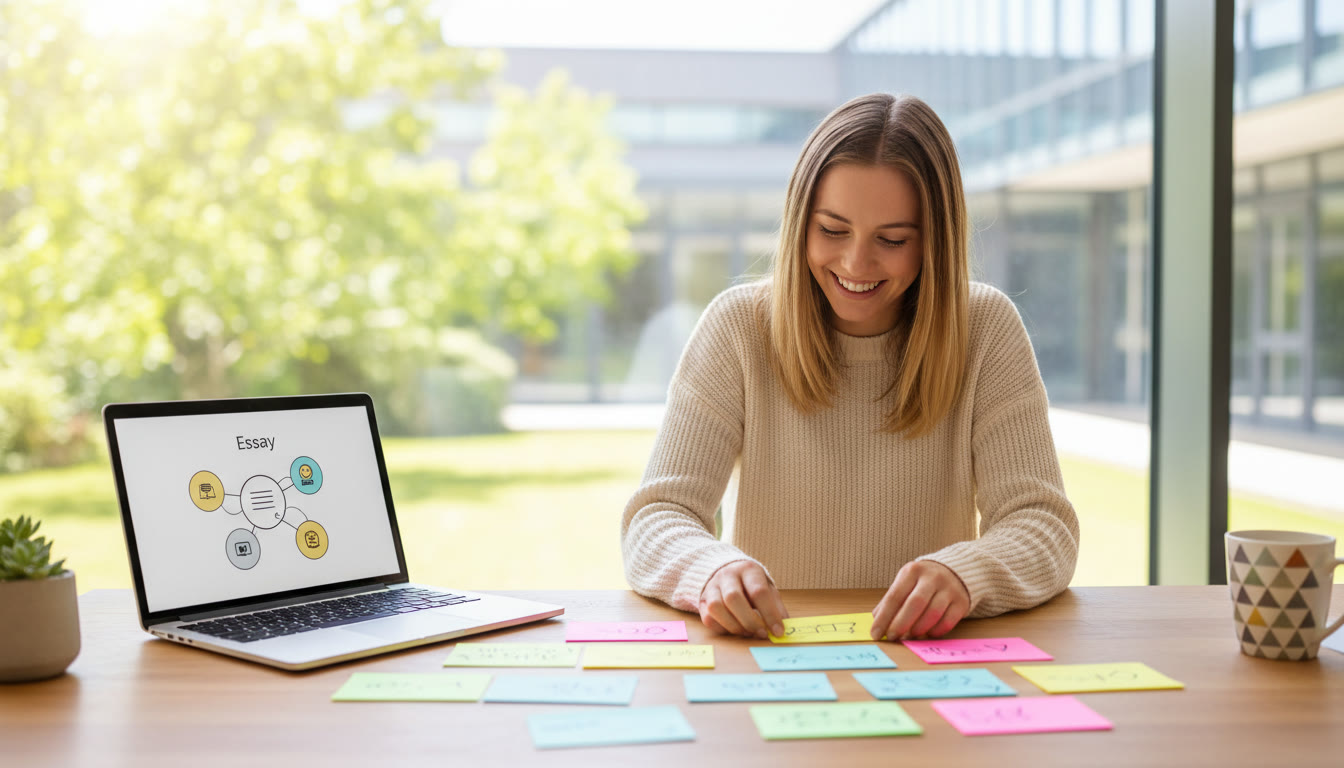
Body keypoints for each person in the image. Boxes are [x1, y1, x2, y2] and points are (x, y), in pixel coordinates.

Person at [620, 93, 1080, 643]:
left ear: (934, 242)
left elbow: (1044, 524)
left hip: (922, 661)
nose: (856, 264)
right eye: (833, 230)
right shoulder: (738, 327)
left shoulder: (986, 328)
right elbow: (657, 516)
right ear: (799, 224)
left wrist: (967, 573)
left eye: (892, 240)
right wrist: (710, 570)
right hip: (775, 656)